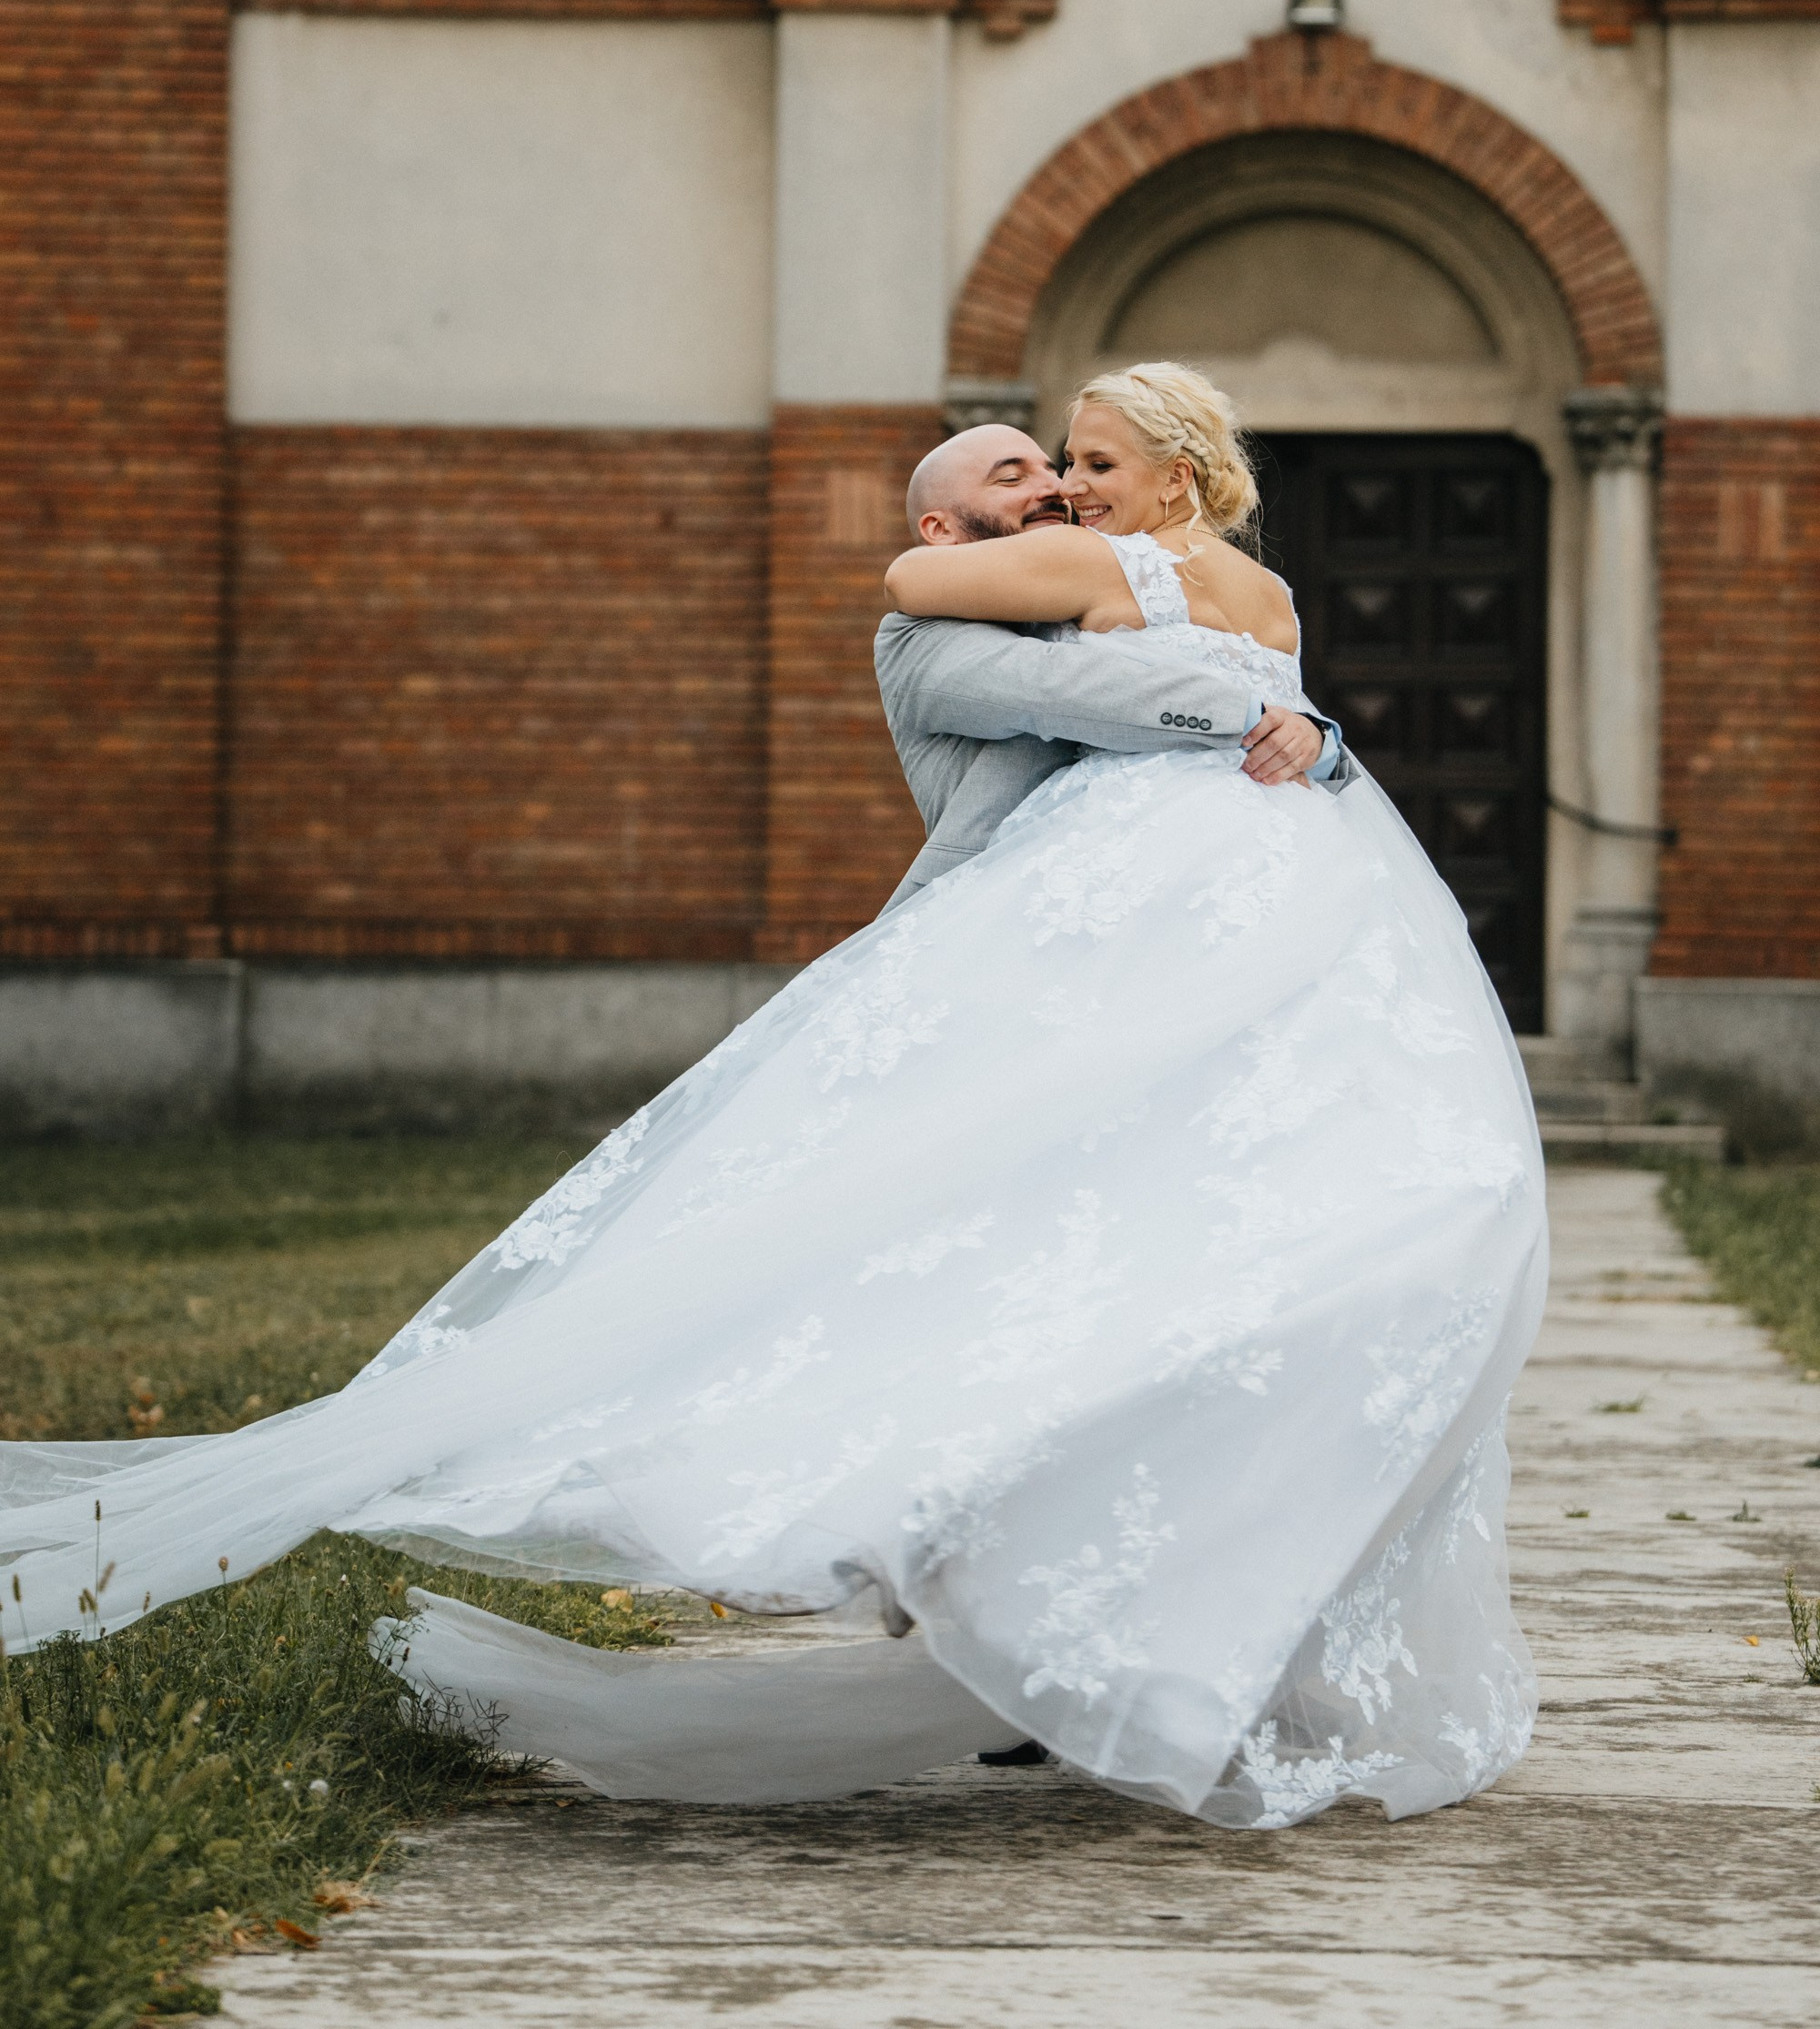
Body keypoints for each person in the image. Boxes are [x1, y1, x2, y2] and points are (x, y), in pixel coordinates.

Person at [0, 362, 1546, 1831]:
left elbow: (1221, 696)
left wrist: (1307, 732)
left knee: (1187, 1256)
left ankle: (1124, 1594)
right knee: (947, 1271)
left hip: (1197, 953)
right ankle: (947, 1567)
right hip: (1030, 970)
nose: (1060, 484)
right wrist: (1258, 712)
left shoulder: (1153, 587)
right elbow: (1064, 669)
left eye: (1078, 461)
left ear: (1176, 474)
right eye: (1030, 469)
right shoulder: (980, 621)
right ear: (944, 519)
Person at [874, 417, 1352, 918]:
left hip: (1196, 886)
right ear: (940, 529)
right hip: (1000, 912)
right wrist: (1253, 720)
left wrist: (1313, 741)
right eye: (1012, 479)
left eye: (1051, 468)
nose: (1058, 487)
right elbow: (1061, 688)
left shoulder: (1088, 601)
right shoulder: (918, 636)